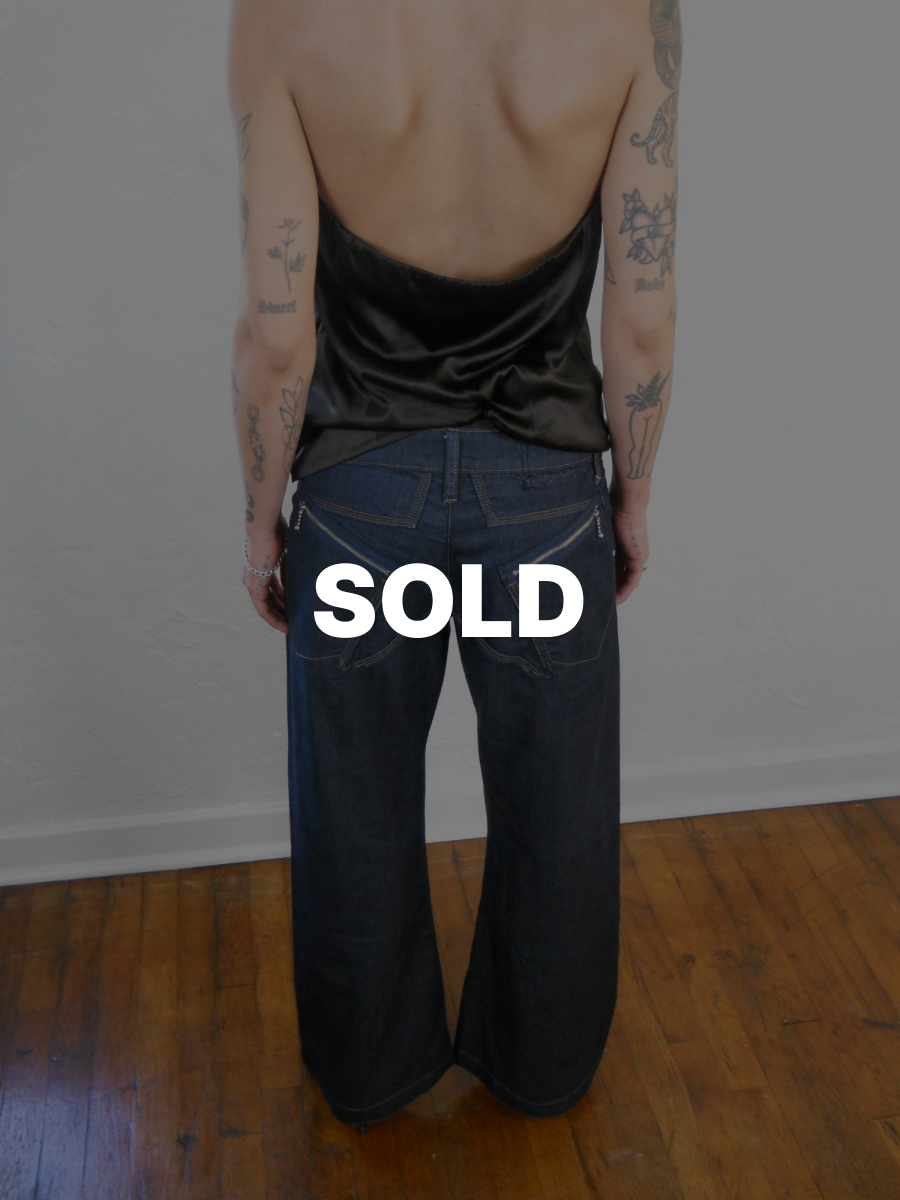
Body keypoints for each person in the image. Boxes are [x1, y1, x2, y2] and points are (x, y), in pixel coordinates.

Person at [227, 0, 680, 1126]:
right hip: (543, 505)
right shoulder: (637, 14)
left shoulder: (280, 15)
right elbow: (641, 317)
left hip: (360, 502)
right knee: (558, 807)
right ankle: (544, 1067)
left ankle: (369, 1072)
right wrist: (632, 497)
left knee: (353, 803)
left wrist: (260, 522)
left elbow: (278, 336)